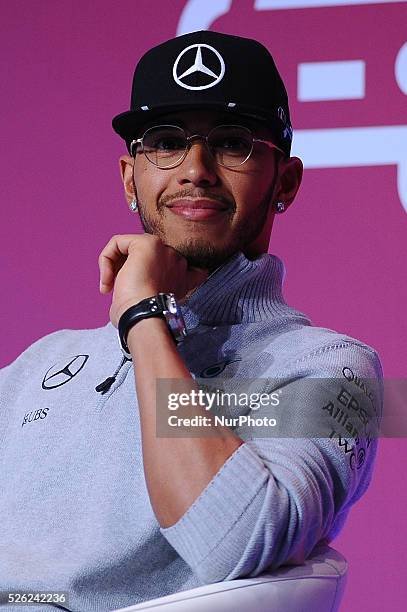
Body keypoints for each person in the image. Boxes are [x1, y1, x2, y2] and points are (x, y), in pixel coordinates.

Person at [0, 30, 383, 612]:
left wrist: (146, 319)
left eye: (231, 143)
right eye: (166, 142)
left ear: (286, 182)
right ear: (131, 179)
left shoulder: (335, 371)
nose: (196, 170)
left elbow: (236, 543)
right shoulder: (40, 363)